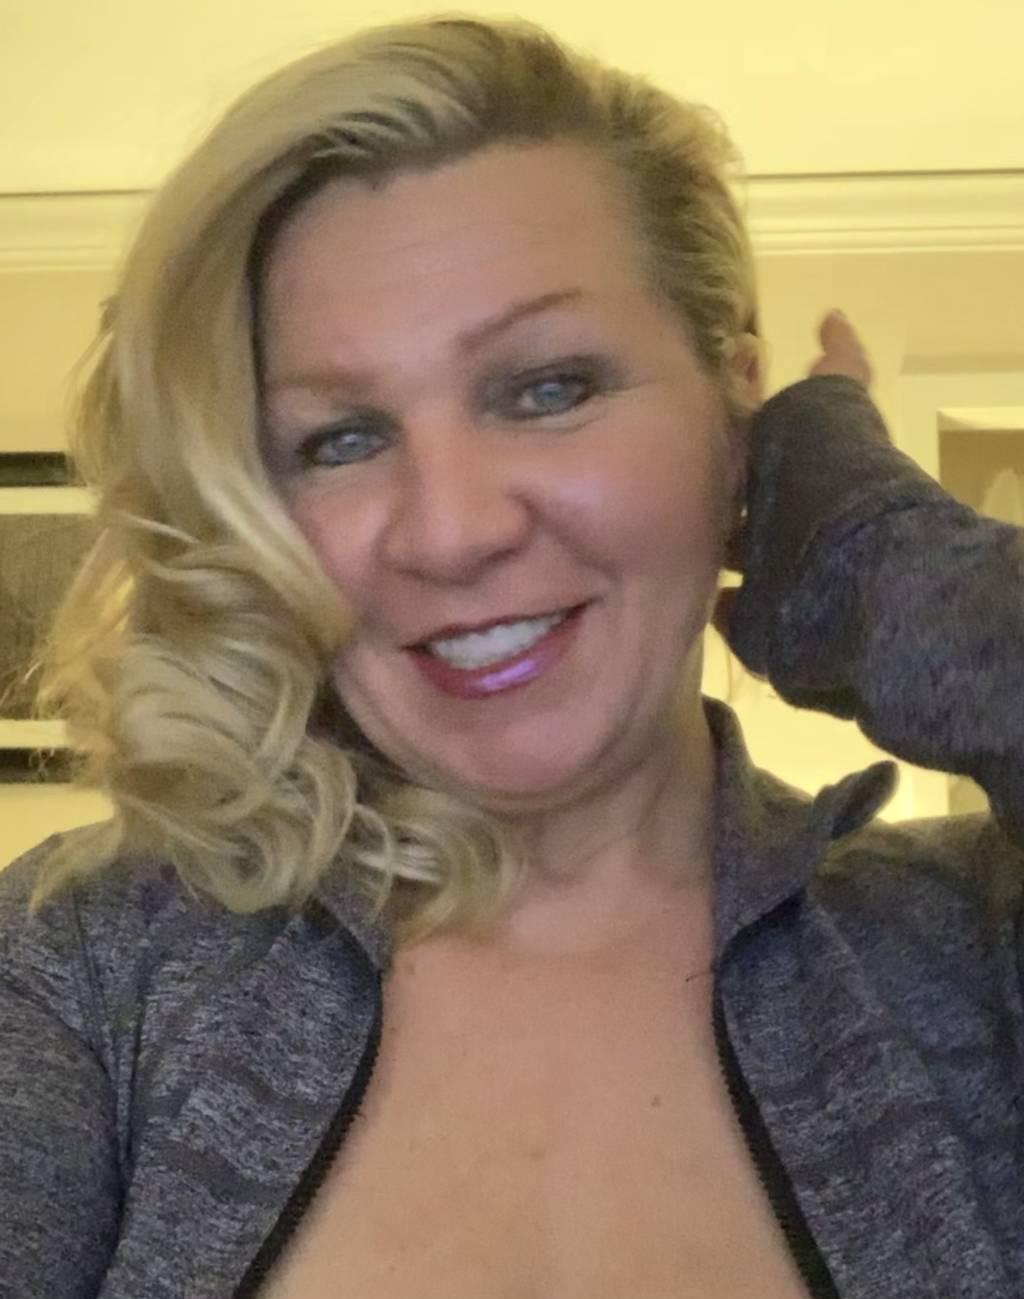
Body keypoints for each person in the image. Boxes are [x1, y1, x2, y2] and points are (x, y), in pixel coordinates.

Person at [0, 15, 1021, 1299]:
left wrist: (872, 555)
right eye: (336, 441)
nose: (452, 531)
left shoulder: (971, 947)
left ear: (736, 418)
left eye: (548, 388)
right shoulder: (91, 968)